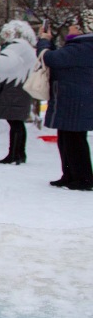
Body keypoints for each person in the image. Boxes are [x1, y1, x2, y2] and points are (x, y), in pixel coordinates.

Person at [36, 15, 93, 191]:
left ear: (84, 29)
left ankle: (83, 179)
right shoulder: (80, 47)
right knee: (67, 139)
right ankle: (70, 175)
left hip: (75, 101)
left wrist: (44, 41)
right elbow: (59, 58)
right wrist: (49, 43)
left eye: (75, 26)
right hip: (73, 100)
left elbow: (50, 59)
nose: (70, 28)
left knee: (74, 140)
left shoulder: (84, 47)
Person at [0, 21, 37, 165]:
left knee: (15, 122)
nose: (5, 36)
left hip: (15, 89)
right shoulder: (20, 47)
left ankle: (15, 154)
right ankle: (18, 153)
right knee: (16, 122)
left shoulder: (18, 47)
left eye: (9, 33)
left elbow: (6, 65)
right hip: (14, 89)